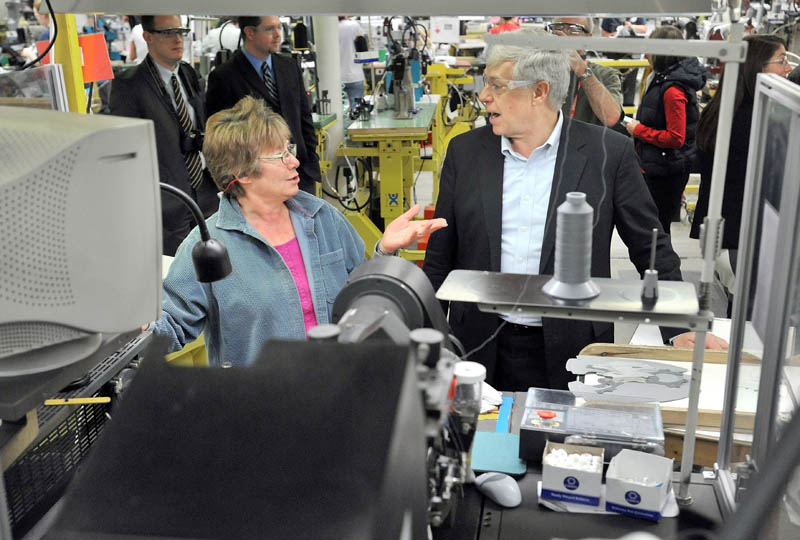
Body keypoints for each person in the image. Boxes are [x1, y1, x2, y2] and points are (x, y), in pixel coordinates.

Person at [422, 28, 721, 392]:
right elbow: (440, 255)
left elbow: (650, 246)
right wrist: (425, 334)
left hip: (573, 344)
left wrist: (680, 326)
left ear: (539, 91)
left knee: (565, 445)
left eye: (497, 85)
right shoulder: (466, 153)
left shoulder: (606, 153)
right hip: (479, 345)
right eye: (486, 83)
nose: (484, 96)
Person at [151, 96, 446, 367]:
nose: (295, 161)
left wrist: (384, 250)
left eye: (289, 149)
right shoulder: (207, 247)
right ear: (241, 174)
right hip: (263, 405)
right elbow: (171, 328)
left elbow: (361, 292)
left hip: (339, 384)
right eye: (279, 156)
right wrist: (130, 325)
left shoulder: (321, 217)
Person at [689, 35, 791, 314]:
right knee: (752, 322)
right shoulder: (757, 119)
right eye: (781, 61)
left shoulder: (723, 110)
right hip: (746, 238)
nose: (788, 69)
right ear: (756, 68)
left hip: (725, 235)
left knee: (741, 314)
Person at [110, 15, 219, 256]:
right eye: (168, 33)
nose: (177, 39)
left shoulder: (189, 75)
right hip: (167, 203)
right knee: (178, 275)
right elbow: (127, 152)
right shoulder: (129, 85)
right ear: (148, 37)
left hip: (205, 193)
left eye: (180, 32)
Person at [206, 16, 320, 195]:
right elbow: (221, 140)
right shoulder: (224, 77)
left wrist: (311, 162)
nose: (277, 35)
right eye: (269, 29)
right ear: (249, 32)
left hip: (299, 173)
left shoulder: (289, 66)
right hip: (258, 182)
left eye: (278, 28)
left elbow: (304, 117)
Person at [625, 25, 706, 235]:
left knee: (658, 228)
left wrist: (639, 130)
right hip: (660, 164)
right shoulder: (663, 79)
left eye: (650, 49)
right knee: (656, 226)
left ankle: (664, 267)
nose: (646, 54)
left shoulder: (672, 89)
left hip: (667, 169)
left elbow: (675, 138)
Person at [548, 17, 625, 129]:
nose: (563, 34)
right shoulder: (538, 69)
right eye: (557, 28)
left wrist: (580, 68)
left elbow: (612, 118)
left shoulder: (605, 74)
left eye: (573, 29)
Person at [338, 16, 366, 109]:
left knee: (336, 113)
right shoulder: (354, 25)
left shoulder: (328, 27)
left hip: (335, 78)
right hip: (355, 75)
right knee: (357, 112)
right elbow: (363, 47)